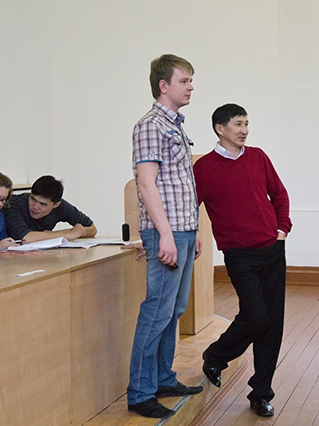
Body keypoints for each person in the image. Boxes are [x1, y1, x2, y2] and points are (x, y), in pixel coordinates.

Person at [193, 104, 292, 417]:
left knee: (272, 324)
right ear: (220, 128)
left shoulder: (258, 157)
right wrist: (192, 235)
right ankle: (216, 354)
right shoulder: (204, 167)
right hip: (238, 254)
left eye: (246, 124)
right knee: (256, 316)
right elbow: (190, 205)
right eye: (238, 124)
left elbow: (279, 194)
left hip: (272, 249)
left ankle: (261, 393)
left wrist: (282, 229)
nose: (244, 130)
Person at [126, 53, 203, 419]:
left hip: (183, 230)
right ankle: (140, 393)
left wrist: (193, 230)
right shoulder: (150, 126)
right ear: (163, 85)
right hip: (166, 234)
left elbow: (181, 184)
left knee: (174, 310)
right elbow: (147, 184)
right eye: (184, 81)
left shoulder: (176, 125)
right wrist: (166, 235)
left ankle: (161, 377)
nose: (191, 87)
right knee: (156, 312)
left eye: (190, 81)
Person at [4, 175, 97, 243]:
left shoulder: (61, 207)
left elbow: (92, 229)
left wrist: (80, 232)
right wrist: (68, 234)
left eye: (43, 204)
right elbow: (26, 238)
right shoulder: (13, 203)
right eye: (33, 199)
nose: (35, 207)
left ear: (56, 205)